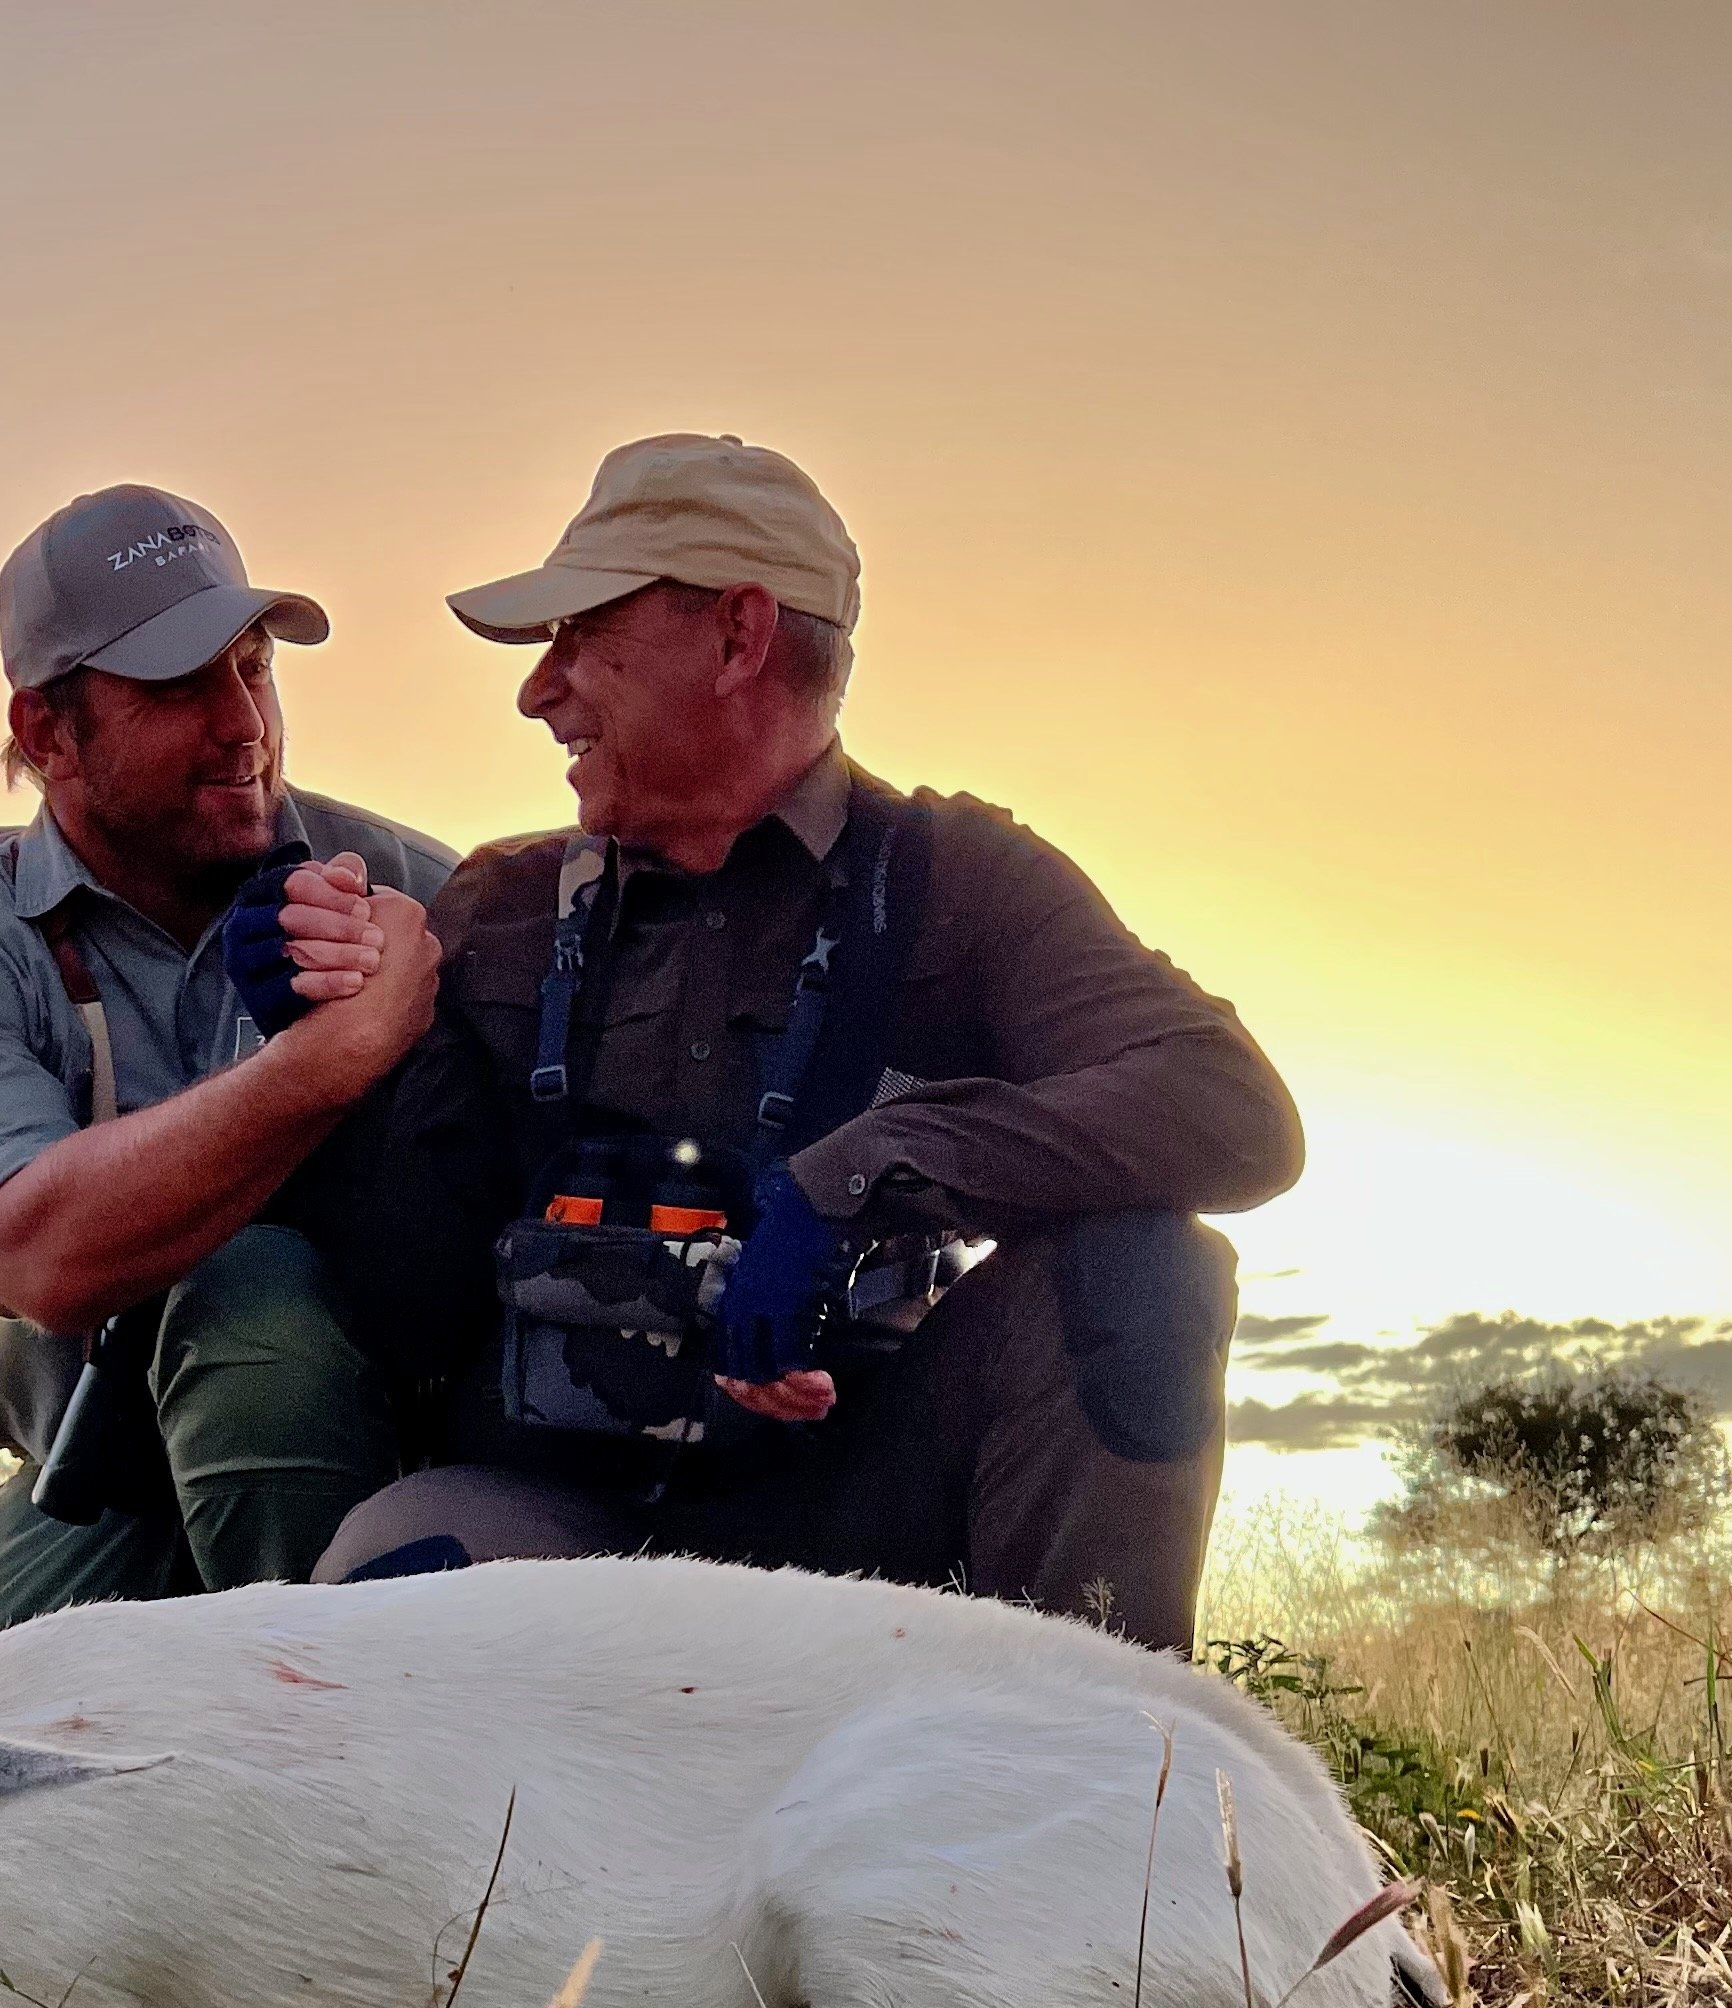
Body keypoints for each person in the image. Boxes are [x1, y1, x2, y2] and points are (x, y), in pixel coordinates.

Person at [285, 435, 1303, 1653]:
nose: (536, 689)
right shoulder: (500, 906)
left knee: (1147, 1270)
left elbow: (1234, 1111)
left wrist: (857, 1177)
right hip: (554, 1524)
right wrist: (338, 1037)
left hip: (859, 1527)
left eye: (579, 636)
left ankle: (1101, 1786)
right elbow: (407, 1300)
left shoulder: (960, 885)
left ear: (738, 637)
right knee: (391, 1580)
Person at [0, 487, 453, 1663]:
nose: (244, 725)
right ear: (47, 735)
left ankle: (339, 1739)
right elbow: (40, 1258)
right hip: (95, 1479)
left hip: (398, 1453)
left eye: (255, 666)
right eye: (179, 687)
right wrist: (327, 1063)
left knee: (256, 1296)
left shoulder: (416, 887)